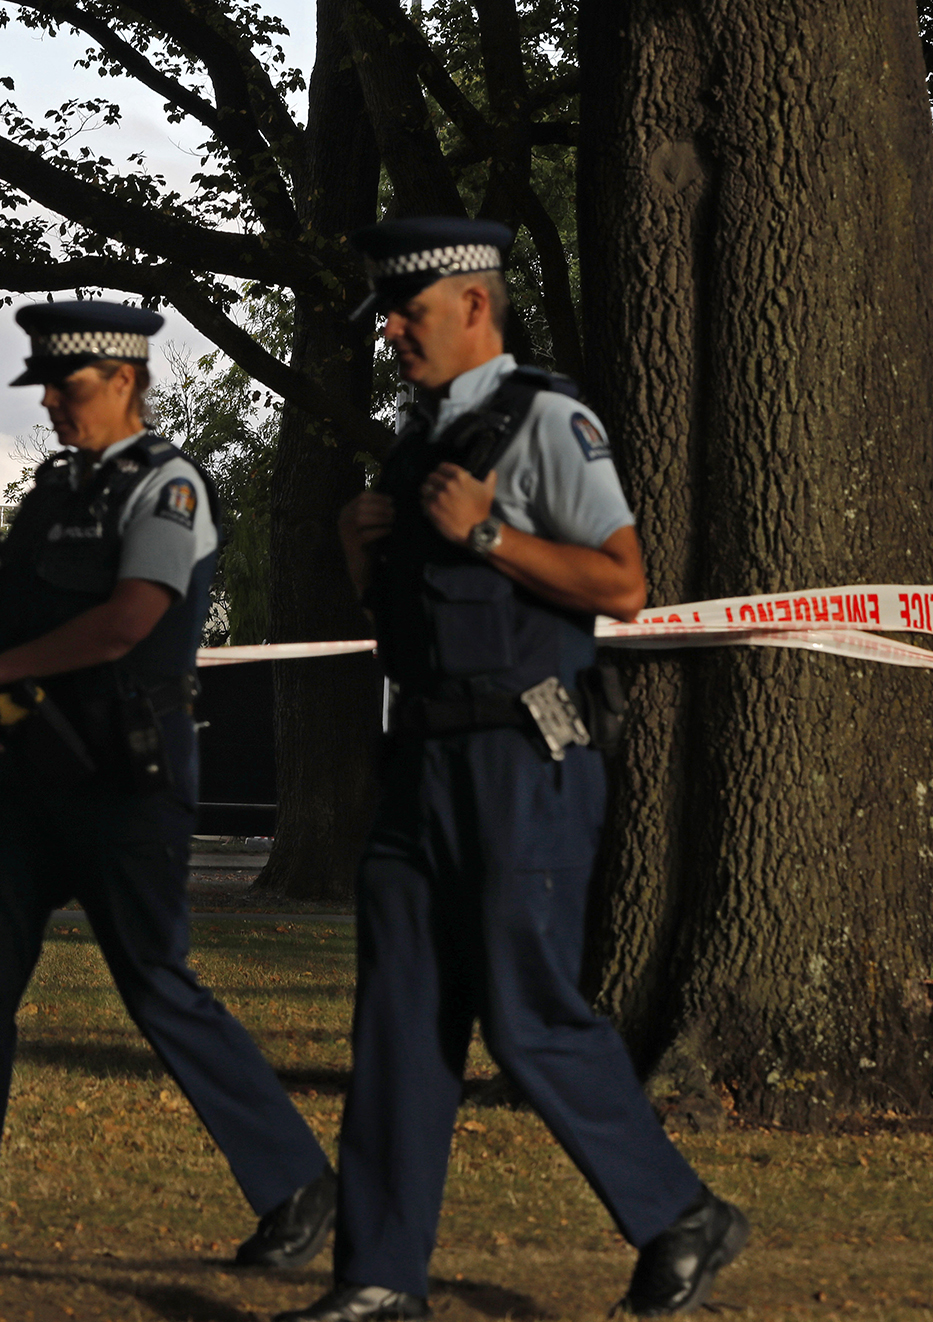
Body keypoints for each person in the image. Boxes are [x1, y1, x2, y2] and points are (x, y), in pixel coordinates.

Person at [276, 220, 748, 1322]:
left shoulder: (545, 421)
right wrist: (363, 555)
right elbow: (413, 627)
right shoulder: (415, 441)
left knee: (526, 1013)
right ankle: (381, 1276)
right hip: (423, 760)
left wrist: (489, 535)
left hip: (522, 761)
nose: (390, 331)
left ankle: (680, 1212)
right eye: (385, 315)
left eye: (409, 311)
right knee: (396, 1017)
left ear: (475, 308)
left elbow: (622, 584)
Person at [0, 300, 337, 1273]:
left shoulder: (168, 487)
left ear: (123, 380)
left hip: (126, 773)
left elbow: (127, 620)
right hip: (32, 767)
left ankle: (295, 1180)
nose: (57, 408)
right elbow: (5, 601)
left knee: (157, 984)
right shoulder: (51, 490)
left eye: (70, 390)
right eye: (48, 392)